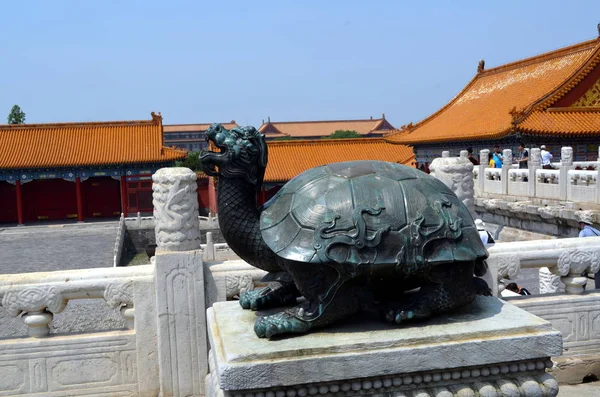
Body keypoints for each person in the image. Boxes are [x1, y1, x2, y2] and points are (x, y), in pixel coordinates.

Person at [578, 219, 600, 289]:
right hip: (598, 255)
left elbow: (579, 243)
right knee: (598, 273)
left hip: (588, 256)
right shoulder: (597, 231)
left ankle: (581, 289)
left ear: (582, 224)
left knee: (583, 272)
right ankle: (598, 290)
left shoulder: (583, 232)